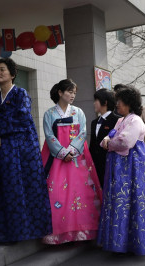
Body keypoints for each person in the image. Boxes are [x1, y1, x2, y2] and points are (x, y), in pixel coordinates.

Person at [0, 58, 52, 244]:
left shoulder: (21, 94)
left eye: (2, 69)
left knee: (16, 189)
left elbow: (21, 118)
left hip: (19, 151)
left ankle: (20, 233)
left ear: (12, 74)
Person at [97, 85, 145, 255]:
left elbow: (124, 142)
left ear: (128, 103)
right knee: (122, 201)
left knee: (132, 201)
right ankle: (121, 242)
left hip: (132, 169)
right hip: (121, 168)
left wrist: (108, 144)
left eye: (120, 101)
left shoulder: (135, 120)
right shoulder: (121, 120)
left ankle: (131, 243)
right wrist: (107, 140)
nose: (117, 104)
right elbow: (111, 136)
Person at [41, 79, 102, 244]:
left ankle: (81, 230)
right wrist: (62, 152)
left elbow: (82, 133)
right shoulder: (49, 114)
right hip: (56, 158)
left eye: (74, 92)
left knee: (80, 193)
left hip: (76, 158)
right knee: (57, 193)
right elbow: (49, 135)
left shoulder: (79, 112)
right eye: (69, 92)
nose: (73, 95)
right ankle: (58, 233)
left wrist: (72, 151)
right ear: (60, 93)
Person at [89, 89, 120, 187]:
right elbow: (92, 144)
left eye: (96, 101)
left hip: (111, 163)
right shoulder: (94, 122)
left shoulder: (117, 120)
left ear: (105, 102)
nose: (94, 104)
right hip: (96, 165)